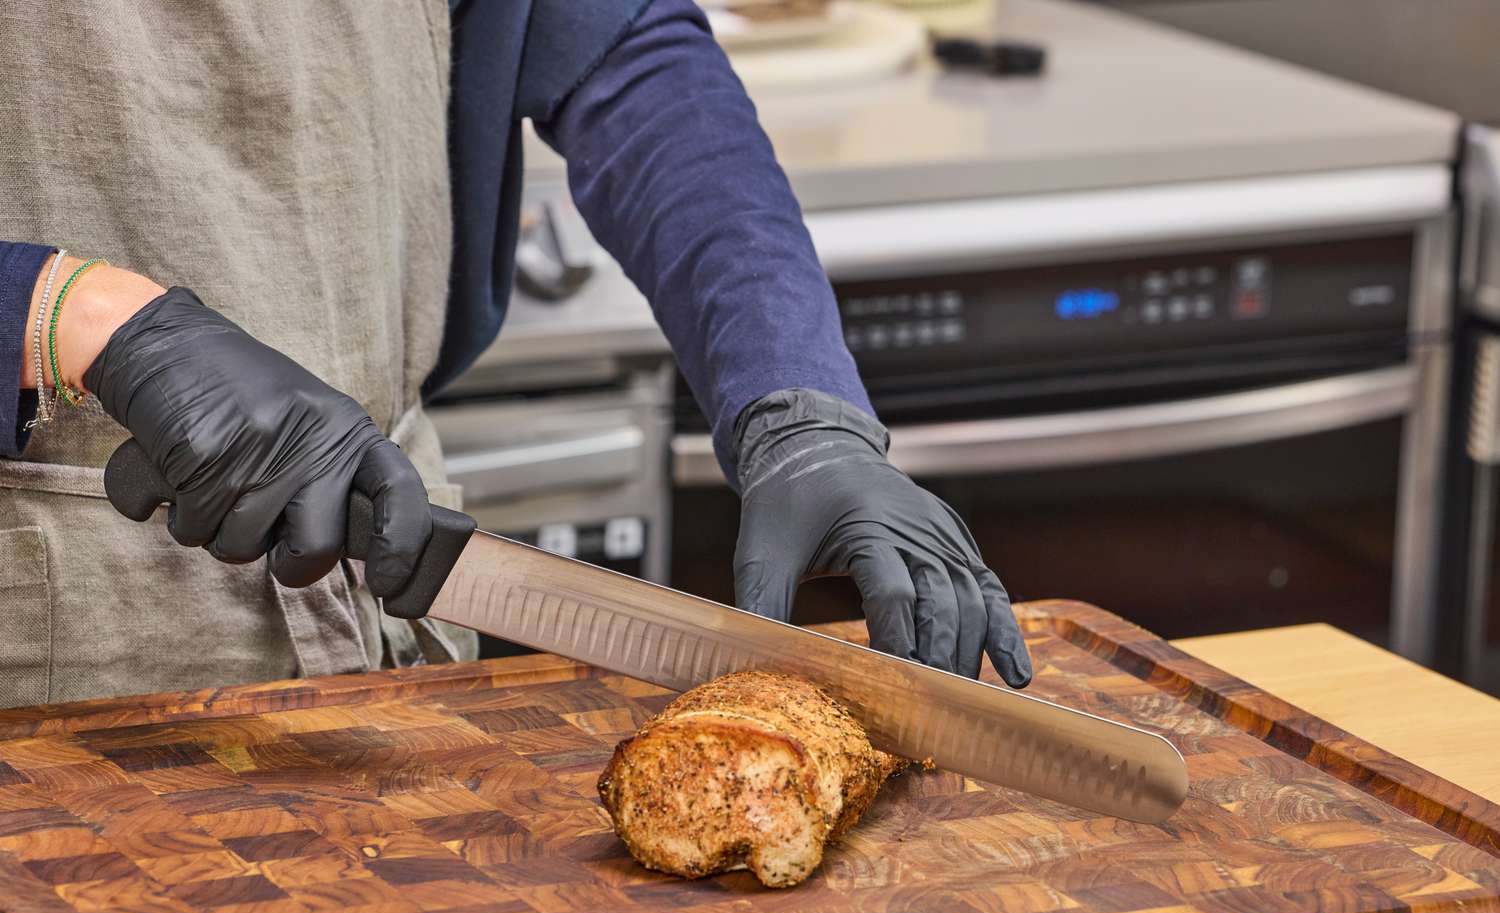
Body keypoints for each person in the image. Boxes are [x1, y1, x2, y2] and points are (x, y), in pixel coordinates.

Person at [0, 0, 1030, 707]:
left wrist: (795, 394)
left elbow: (620, 48)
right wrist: (67, 315)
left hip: (385, 600)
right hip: (53, 630)